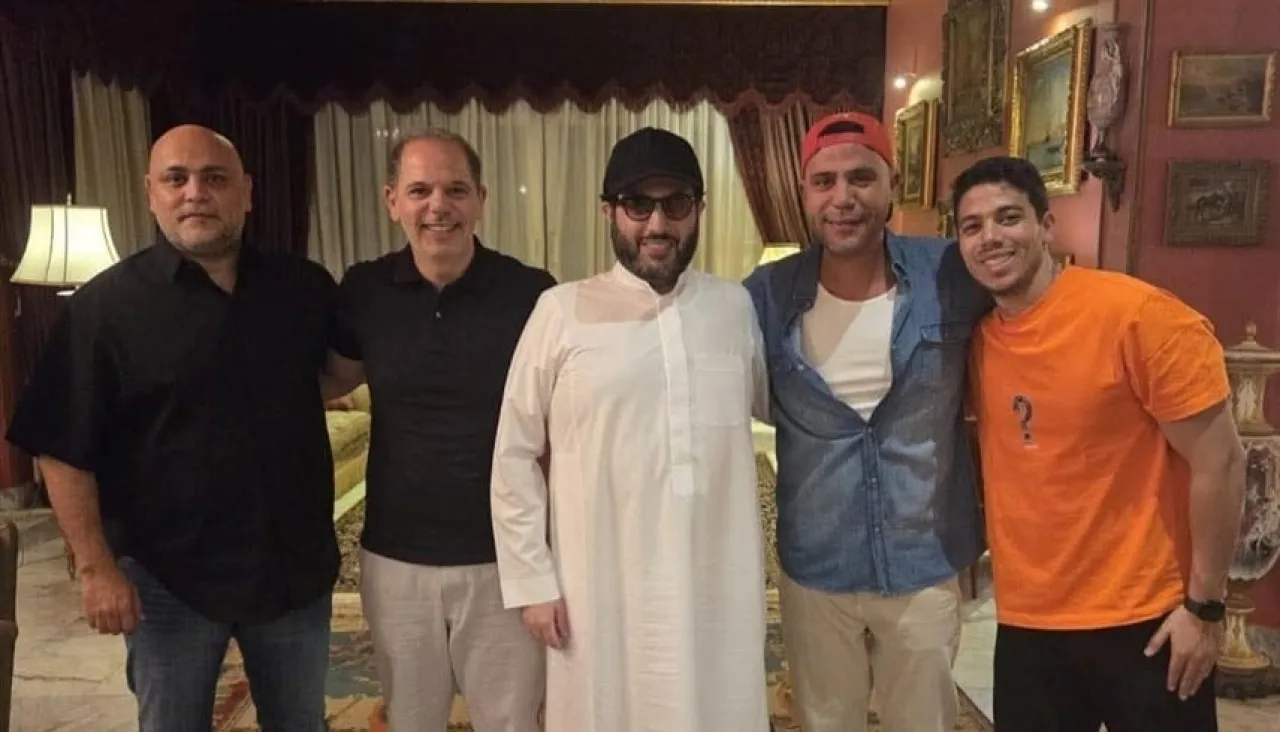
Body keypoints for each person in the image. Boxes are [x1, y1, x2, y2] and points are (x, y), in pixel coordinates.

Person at [5, 124, 338, 731]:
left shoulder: (305, 288)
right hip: (167, 583)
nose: (195, 193)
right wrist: (96, 569)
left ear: (247, 191)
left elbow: (336, 373)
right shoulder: (103, 309)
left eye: (214, 178)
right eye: (176, 179)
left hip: (292, 571)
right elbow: (59, 448)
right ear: (150, 193)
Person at [489, 127, 771, 732]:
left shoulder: (733, 309)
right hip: (598, 588)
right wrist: (532, 580)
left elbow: (780, 409)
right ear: (608, 212)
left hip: (715, 584)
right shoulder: (560, 312)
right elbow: (513, 453)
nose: (657, 224)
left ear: (699, 209)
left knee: (717, 706)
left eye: (676, 204)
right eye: (638, 205)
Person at [953, 155, 1245, 731]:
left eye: (1008, 217)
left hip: (1147, 619)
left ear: (1046, 225)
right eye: (972, 226)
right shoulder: (979, 342)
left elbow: (1222, 461)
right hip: (1029, 624)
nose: (990, 238)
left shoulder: (1139, 316)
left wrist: (1205, 607)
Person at [742, 111, 989, 732]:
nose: (843, 198)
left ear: (892, 185)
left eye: (860, 178)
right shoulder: (764, 295)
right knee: (826, 721)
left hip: (923, 558)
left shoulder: (949, 274)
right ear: (804, 193)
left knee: (924, 722)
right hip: (816, 563)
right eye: (824, 182)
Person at [322, 129, 554, 732]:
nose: (438, 206)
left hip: (503, 558)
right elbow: (332, 379)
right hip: (395, 558)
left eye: (455, 190)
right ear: (391, 200)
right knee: (411, 719)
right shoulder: (364, 290)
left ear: (481, 199)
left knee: (513, 722)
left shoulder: (532, 293)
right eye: (419, 190)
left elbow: (562, 422)